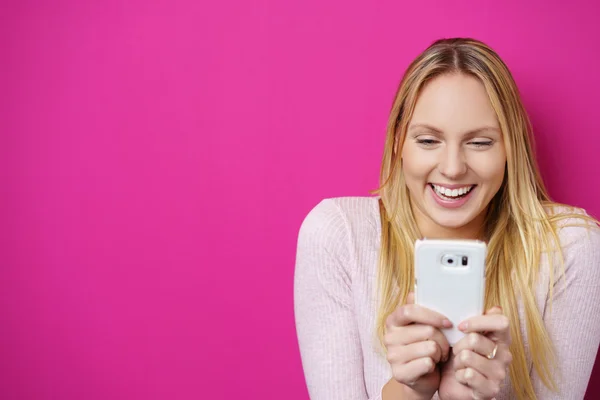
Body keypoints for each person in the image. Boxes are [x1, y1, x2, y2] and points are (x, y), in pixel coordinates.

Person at [293, 37, 600, 400]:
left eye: (480, 142)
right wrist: (409, 391)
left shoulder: (570, 249)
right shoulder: (339, 236)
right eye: (427, 141)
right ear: (397, 143)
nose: (452, 169)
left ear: (510, 150)